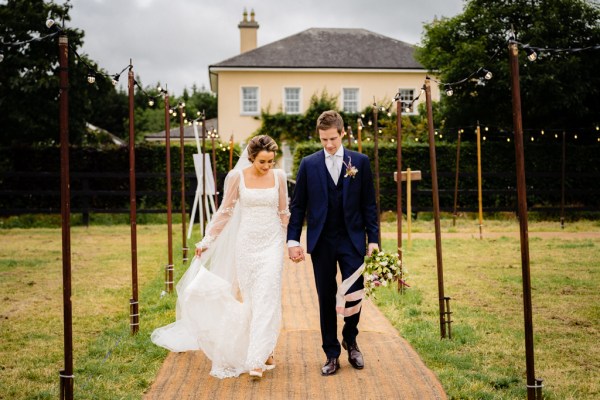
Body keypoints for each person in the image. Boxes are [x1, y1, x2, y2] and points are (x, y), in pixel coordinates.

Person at [151, 135, 290, 380]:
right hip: (246, 244)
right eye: (262, 162)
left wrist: (290, 243)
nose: (268, 166)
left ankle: (256, 360)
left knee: (268, 295)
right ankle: (266, 347)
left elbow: (283, 212)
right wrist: (207, 241)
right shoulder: (237, 177)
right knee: (251, 299)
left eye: (270, 161)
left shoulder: (279, 177)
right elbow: (225, 212)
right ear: (251, 158)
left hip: (272, 244)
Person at [287, 110, 379, 376]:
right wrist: (293, 240)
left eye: (332, 139)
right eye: (323, 139)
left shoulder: (359, 161)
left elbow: (369, 206)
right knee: (325, 297)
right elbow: (299, 205)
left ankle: (351, 339)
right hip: (322, 241)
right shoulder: (308, 164)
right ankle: (331, 353)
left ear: (342, 134)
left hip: (352, 240)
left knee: (354, 293)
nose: (328, 145)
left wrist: (373, 240)